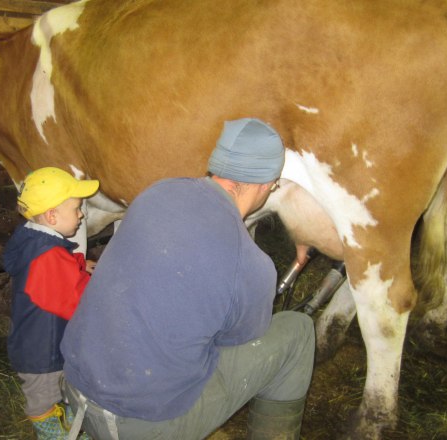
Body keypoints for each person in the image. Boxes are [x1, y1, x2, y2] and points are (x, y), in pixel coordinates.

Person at [61, 118, 316, 439]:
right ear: (265, 184)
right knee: (298, 332)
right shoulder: (252, 265)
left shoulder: (158, 192)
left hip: (76, 388)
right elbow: (235, 341)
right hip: (138, 422)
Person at [3, 167, 99, 439]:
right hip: (43, 354)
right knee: (43, 399)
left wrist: (80, 265)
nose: (81, 215)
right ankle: (50, 433)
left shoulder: (35, 240)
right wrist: (103, 288)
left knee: (58, 393)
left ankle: (65, 422)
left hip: (37, 342)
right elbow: (75, 300)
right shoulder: (48, 257)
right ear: (52, 216)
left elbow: (56, 276)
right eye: (77, 209)